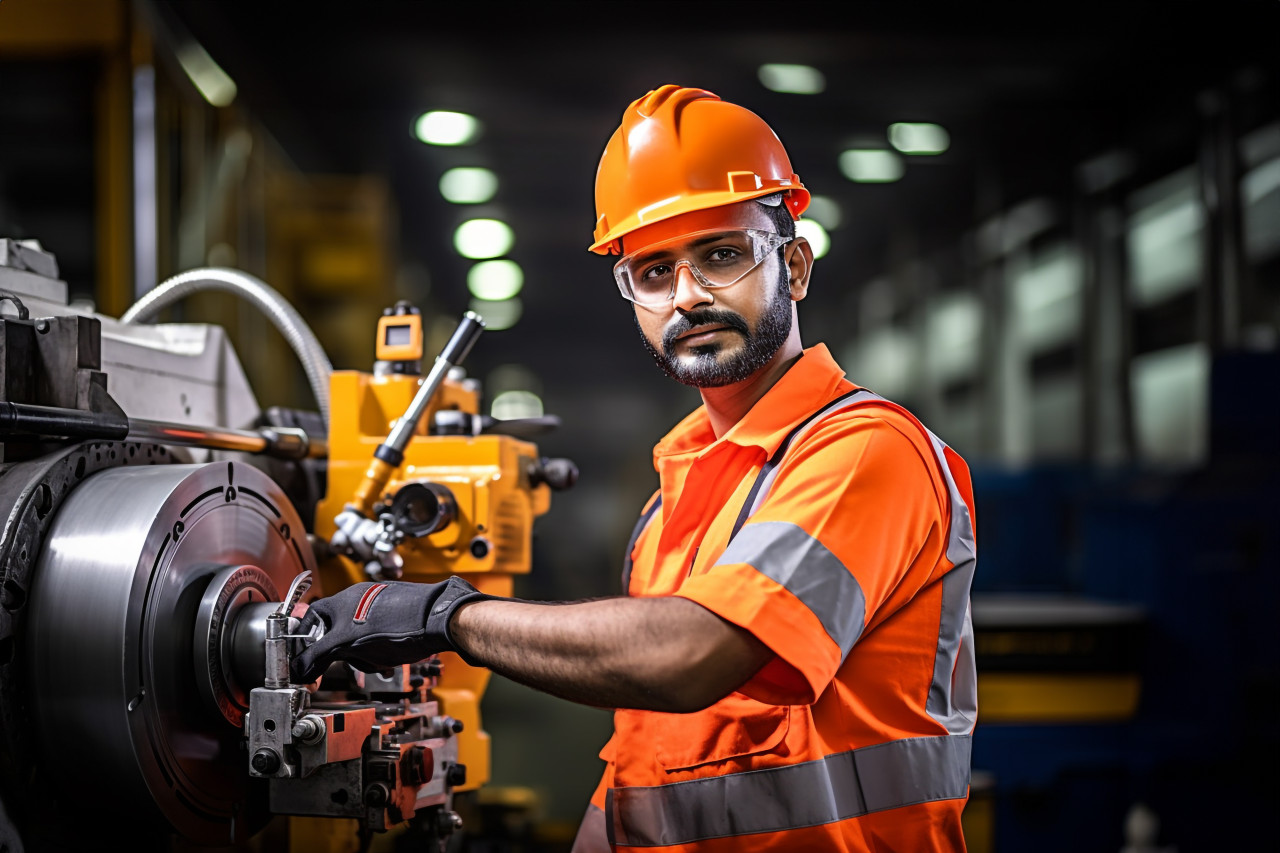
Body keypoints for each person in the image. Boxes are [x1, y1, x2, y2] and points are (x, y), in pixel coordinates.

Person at [292, 84, 978, 852]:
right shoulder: (675, 495)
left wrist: (442, 616)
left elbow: (690, 655)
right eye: (653, 271)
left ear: (793, 266)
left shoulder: (867, 450)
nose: (687, 296)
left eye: (721, 254)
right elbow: (650, 755)